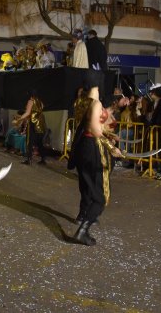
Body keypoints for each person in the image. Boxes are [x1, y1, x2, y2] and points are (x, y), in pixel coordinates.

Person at [69, 84, 122, 245]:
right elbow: (94, 129)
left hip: (83, 147)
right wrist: (111, 147)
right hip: (93, 147)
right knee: (101, 196)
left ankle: (84, 216)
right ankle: (83, 230)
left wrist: (108, 134)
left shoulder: (81, 102)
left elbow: (92, 127)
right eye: (98, 87)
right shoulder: (95, 103)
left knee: (87, 186)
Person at [18, 89, 47, 165]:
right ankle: (43, 159)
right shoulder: (40, 102)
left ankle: (29, 159)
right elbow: (41, 109)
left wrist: (19, 119)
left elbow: (27, 113)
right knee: (40, 142)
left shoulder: (30, 101)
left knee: (29, 141)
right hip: (40, 124)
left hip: (33, 124)